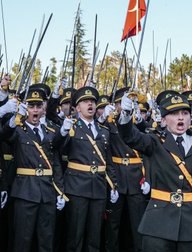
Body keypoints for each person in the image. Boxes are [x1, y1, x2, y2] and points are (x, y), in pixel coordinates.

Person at [118, 92, 192, 252]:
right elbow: (130, 136)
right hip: (158, 223)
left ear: (191, 117)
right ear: (163, 120)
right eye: (174, 114)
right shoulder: (154, 141)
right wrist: (126, 115)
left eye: (185, 113)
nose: (180, 118)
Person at [0, 87, 65, 252]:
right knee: (23, 240)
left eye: (38, 106)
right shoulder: (18, 130)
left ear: (43, 108)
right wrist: (13, 119)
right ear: (25, 108)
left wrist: (60, 191)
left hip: (47, 193)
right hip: (25, 193)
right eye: (31, 106)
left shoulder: (51, 132)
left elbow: (56, 163)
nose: (35, 110)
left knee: (46, 241)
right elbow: (5, 135)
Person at [57, 86, 118, 252]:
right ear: (77, 108)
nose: (90, 104)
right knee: (75, 236)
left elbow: (108, 161)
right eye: (85, 102)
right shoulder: (72, 127)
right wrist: (63, 132)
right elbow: (59, 150)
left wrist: (113, 185)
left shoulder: (104, 131)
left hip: (98, 188)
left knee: (94, 236)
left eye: (92, 101)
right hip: (77, 187)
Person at [98, 88, 148, 252]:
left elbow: (147, 140)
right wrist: (102, 117)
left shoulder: (138, 121)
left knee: (138, 224)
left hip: (136, 178)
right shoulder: (109, 122)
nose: (125, 106)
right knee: (113, 224)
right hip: (116, 177)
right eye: (121, 102)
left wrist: (147, 178)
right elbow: (96, 136)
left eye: (131, 102)